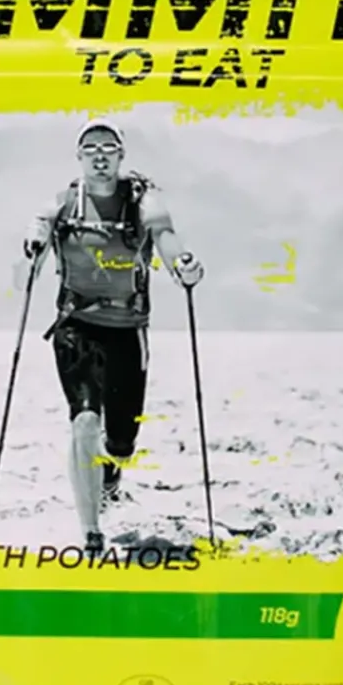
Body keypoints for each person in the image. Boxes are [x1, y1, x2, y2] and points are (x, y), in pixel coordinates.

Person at [23, 120, 204, 556]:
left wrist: (182, 264)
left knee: (120, 444)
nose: (100, 155)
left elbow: (164, 236)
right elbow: (40, 227)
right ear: (79, 157)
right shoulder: (64, 202)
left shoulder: (143, 201)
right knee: (84, 420)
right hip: (76, 325)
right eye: (90, 148)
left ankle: (111, 472)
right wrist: (34, 244)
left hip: (127, 329)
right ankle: (91, 531)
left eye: (108, 147)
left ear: (121, 156)